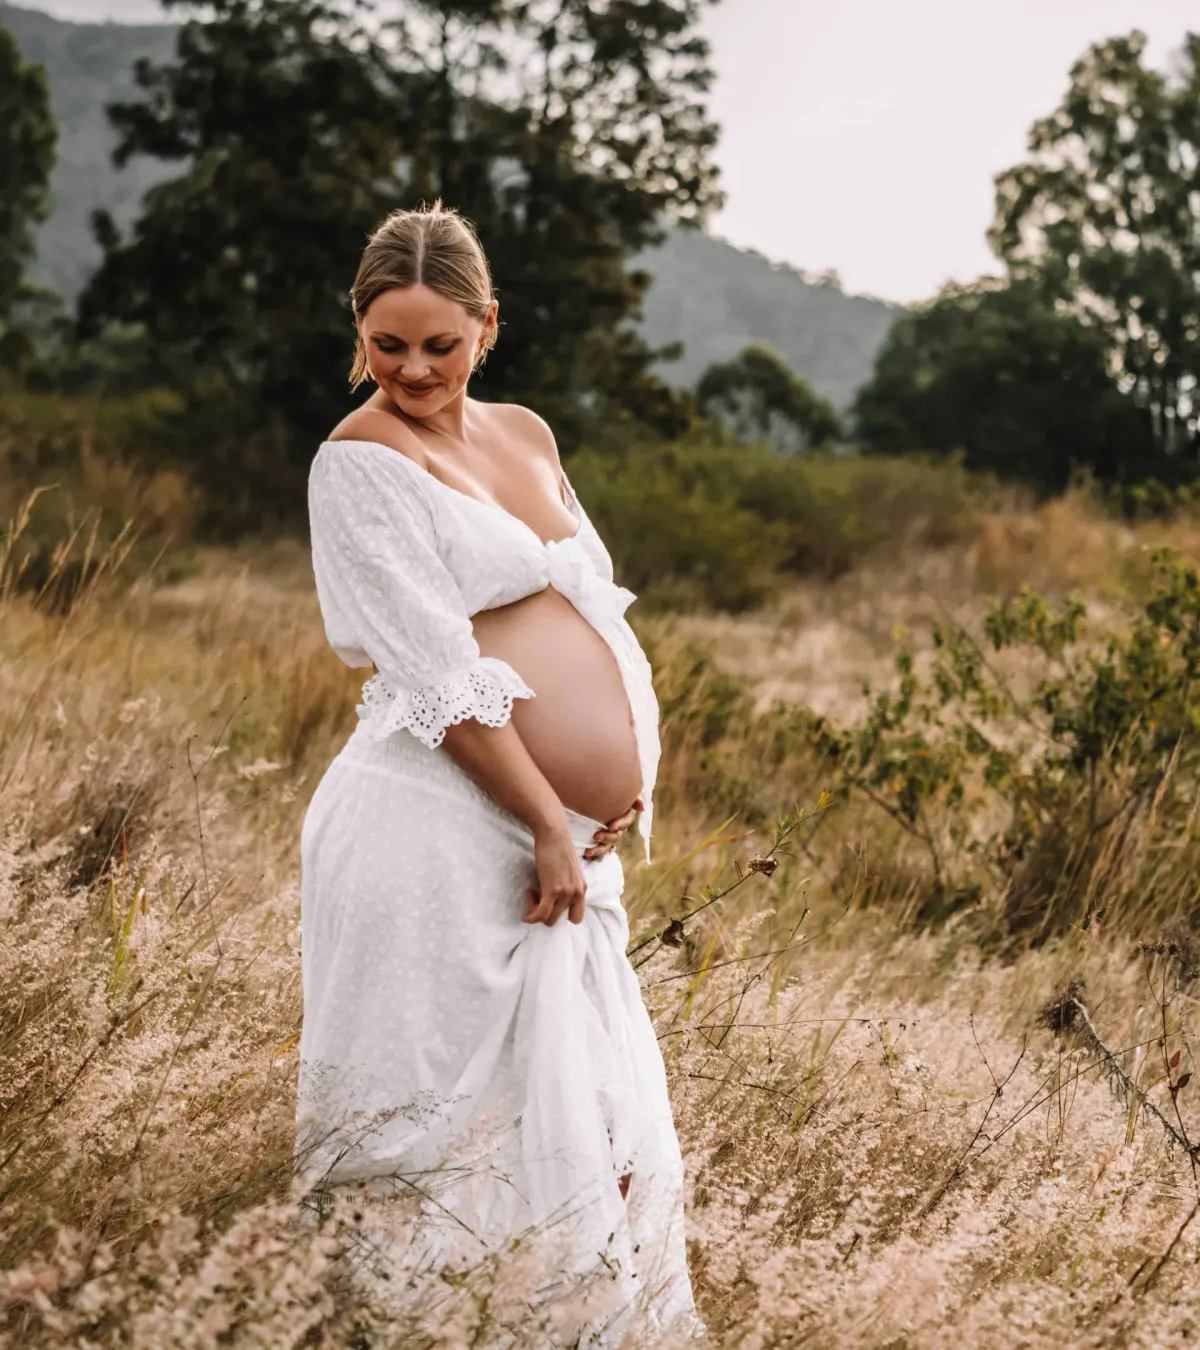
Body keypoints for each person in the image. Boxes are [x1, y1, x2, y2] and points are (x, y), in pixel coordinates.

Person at [294, 202, 703, 1343]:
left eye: (441, 342)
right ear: (359, 330)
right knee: (451, 1123)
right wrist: (547, 818)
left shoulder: (526, 432)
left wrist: (608, 789)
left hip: (553, 837)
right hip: (439, 824)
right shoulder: (359, 462)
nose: (415, 369)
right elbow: (434, 672)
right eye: (388, 343)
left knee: (591, 1127)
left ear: (488, 325)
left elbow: (585, 607)